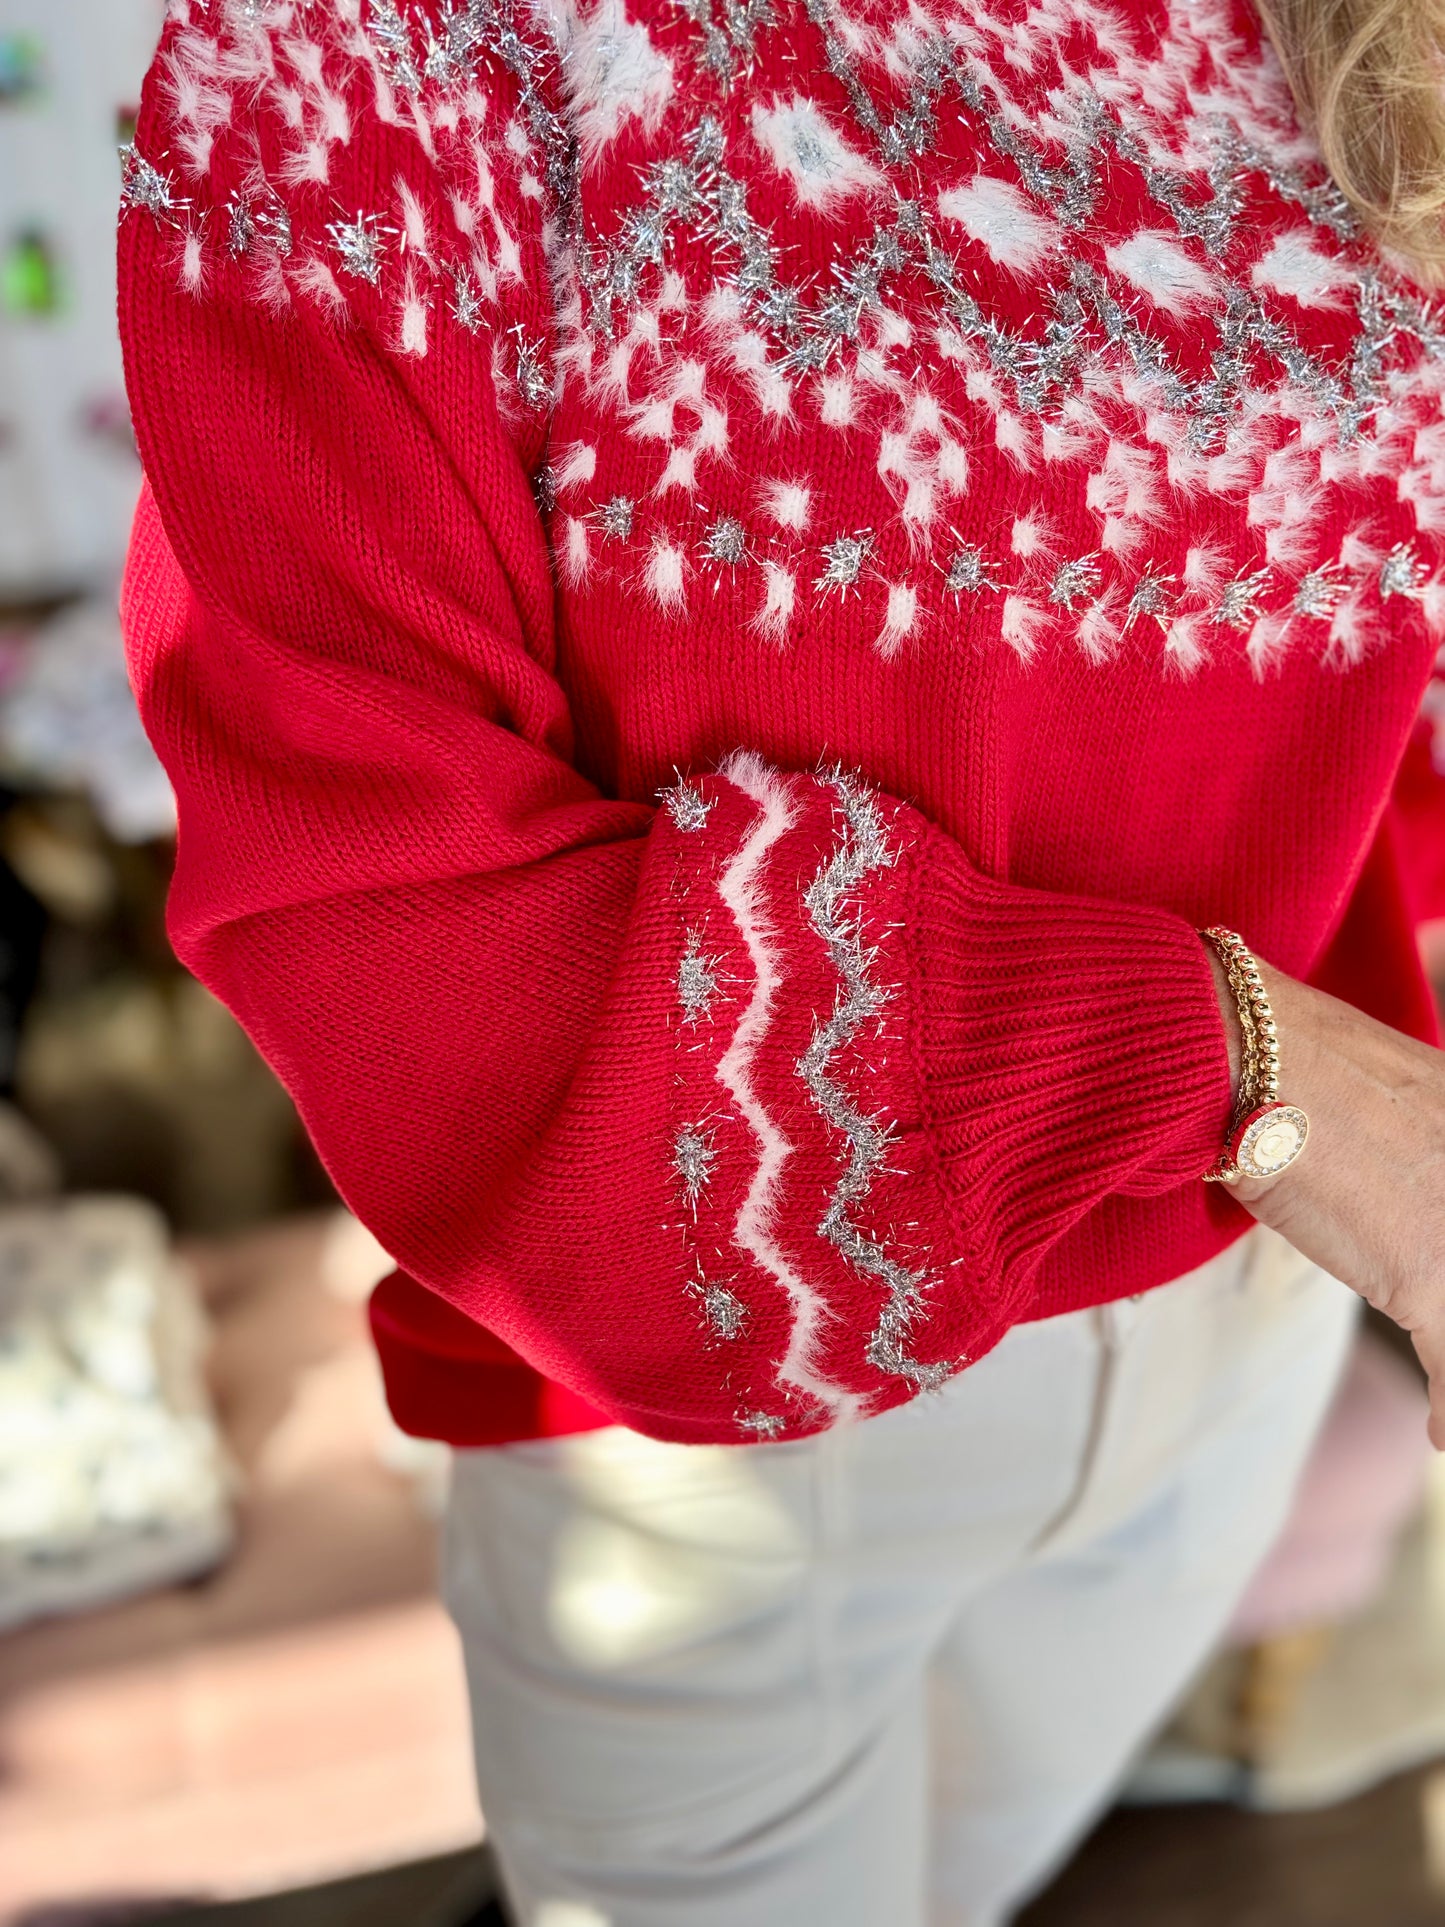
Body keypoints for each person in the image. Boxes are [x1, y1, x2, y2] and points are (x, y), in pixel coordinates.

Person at [116, 0, 1445, 1918]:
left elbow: (1338, 666)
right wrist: (1272, 1081)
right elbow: (397, 926)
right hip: (733, 1426)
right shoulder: (388, 47)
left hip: (1238, 1327)